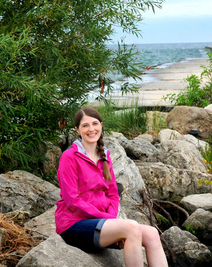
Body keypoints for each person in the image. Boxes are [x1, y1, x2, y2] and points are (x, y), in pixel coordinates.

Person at [55, 107, 168, 266]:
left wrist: (112, 222)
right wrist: (109, 221)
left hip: (100, 225)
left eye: (95, 123)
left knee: (152, 233)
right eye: (85, 125)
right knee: (131, 227)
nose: (91, 129)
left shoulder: (104, 157)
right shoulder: (69, 158)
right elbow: (73, 201)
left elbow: (113, 195)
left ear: (101, 125)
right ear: (77, 130)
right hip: (74, 225)